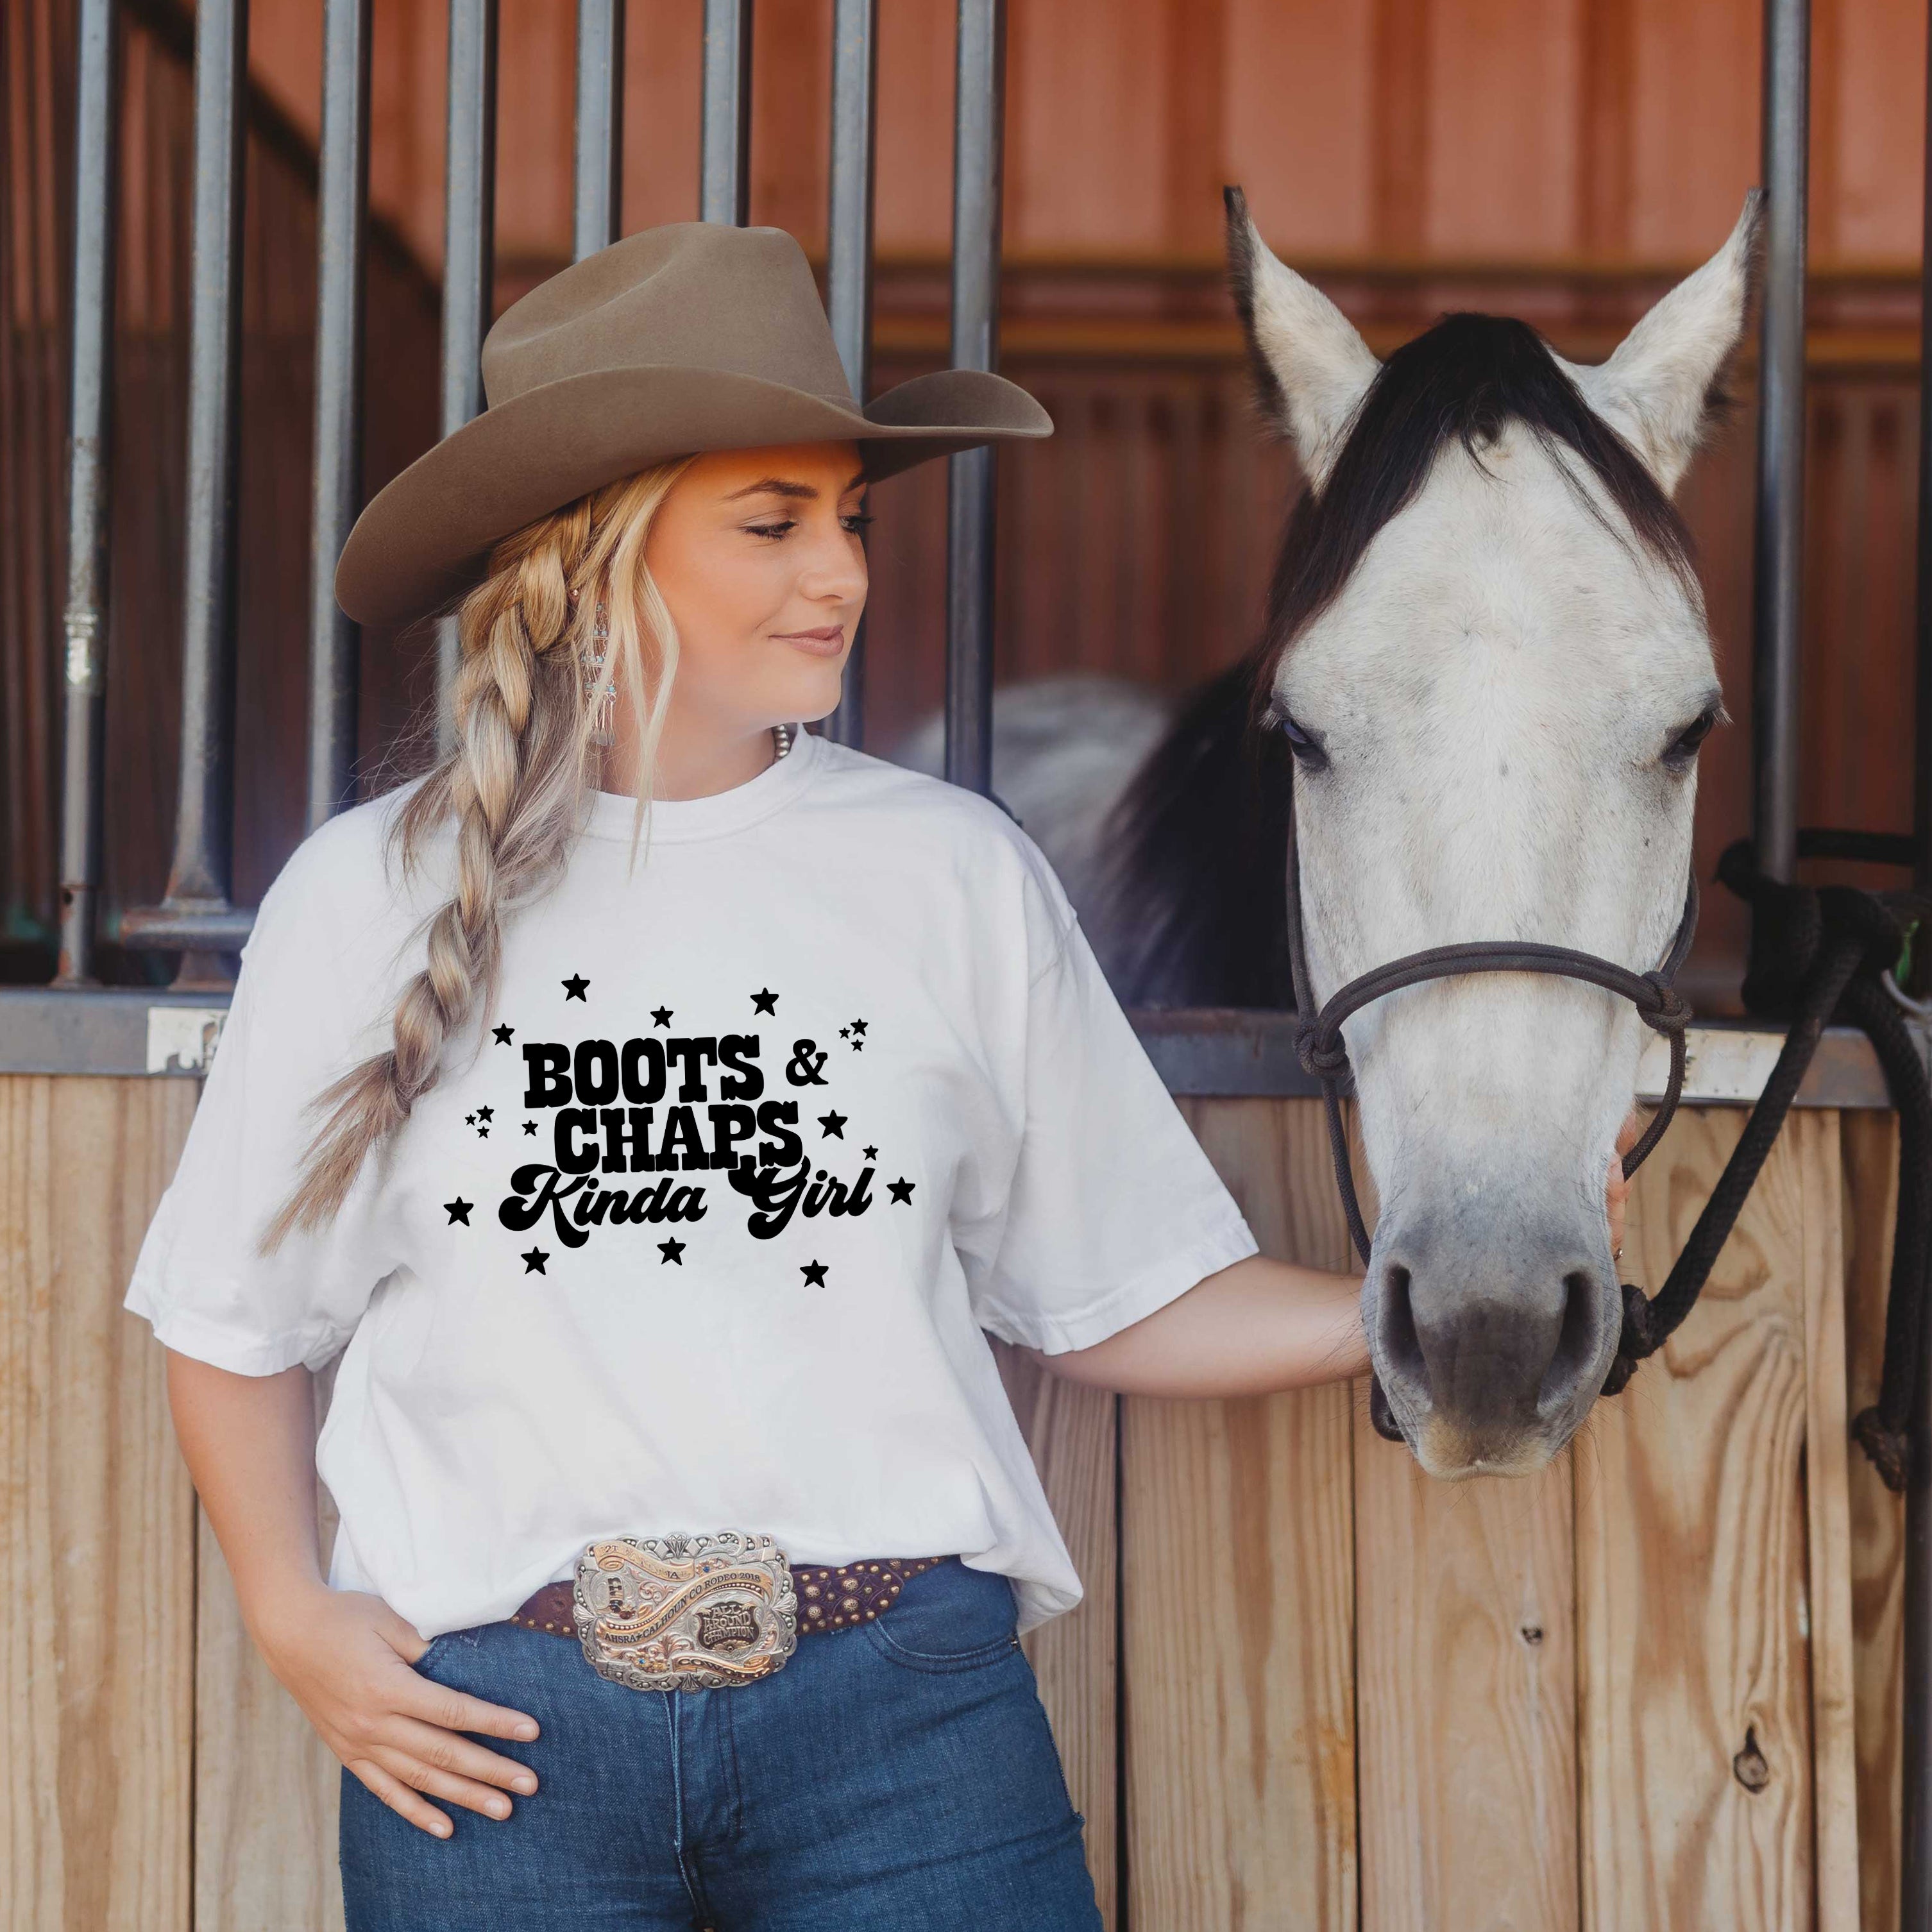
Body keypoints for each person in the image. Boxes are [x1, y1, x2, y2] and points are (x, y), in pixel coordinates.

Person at [124, 223, 1625, 1931]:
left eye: (850, 519)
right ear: (596, 548)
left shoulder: (952, 871)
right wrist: (291, 1615)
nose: (838, 571)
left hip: (901, 1730)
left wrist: (1421, 1303)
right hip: (498, 1741)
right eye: (772, 524)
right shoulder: (364, 893)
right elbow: (228, 1318)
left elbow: (1113, 1291)